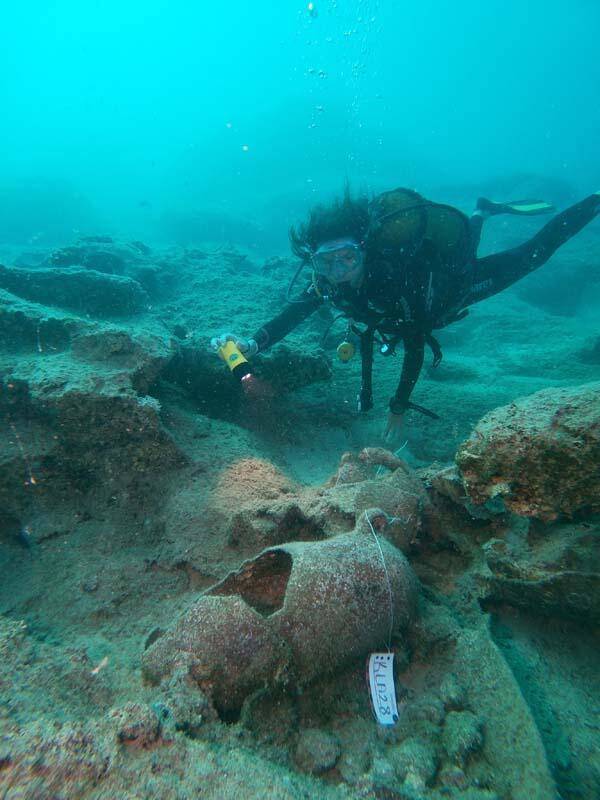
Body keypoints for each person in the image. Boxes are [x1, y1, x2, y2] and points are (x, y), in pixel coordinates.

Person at [211, 186, 600, 441]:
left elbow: (415, 344)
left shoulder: (395, 280)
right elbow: (293, 314)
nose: (338, 272)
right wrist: (251, 344)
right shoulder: (327, 280)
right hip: (427, 288)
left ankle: (592, 200)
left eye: (347, 258)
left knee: (531, 255)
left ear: (365, 251)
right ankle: (479, 212)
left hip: (453, 290)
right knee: (478, 235)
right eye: (326, 262)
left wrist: (398, 409)